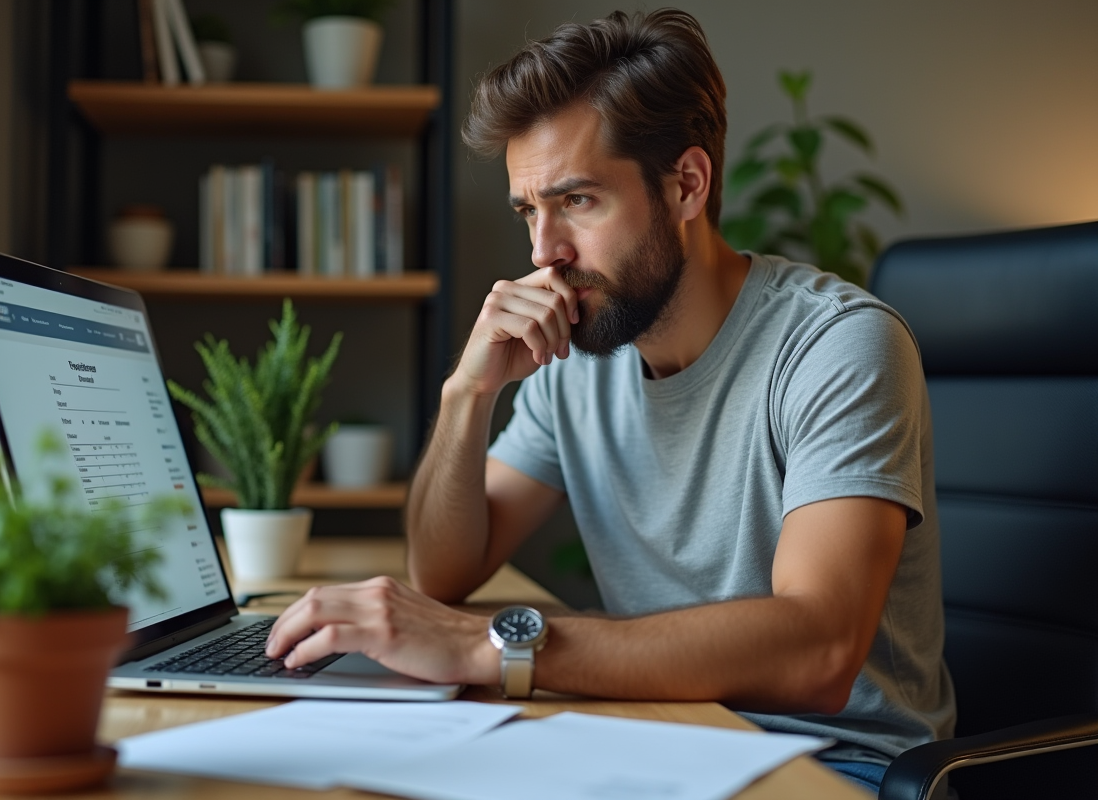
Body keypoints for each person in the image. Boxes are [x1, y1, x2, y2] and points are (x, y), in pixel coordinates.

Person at [266, 9, 955, 793]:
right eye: (530, 210)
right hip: (659, 736)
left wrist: (484, 646)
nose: (543, 252)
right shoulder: (581, 355)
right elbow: (442, 571)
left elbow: (819, 652)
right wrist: (467, 394)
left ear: (687, 185)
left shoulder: (836, 345)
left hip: (835, 766)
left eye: (578, 201)